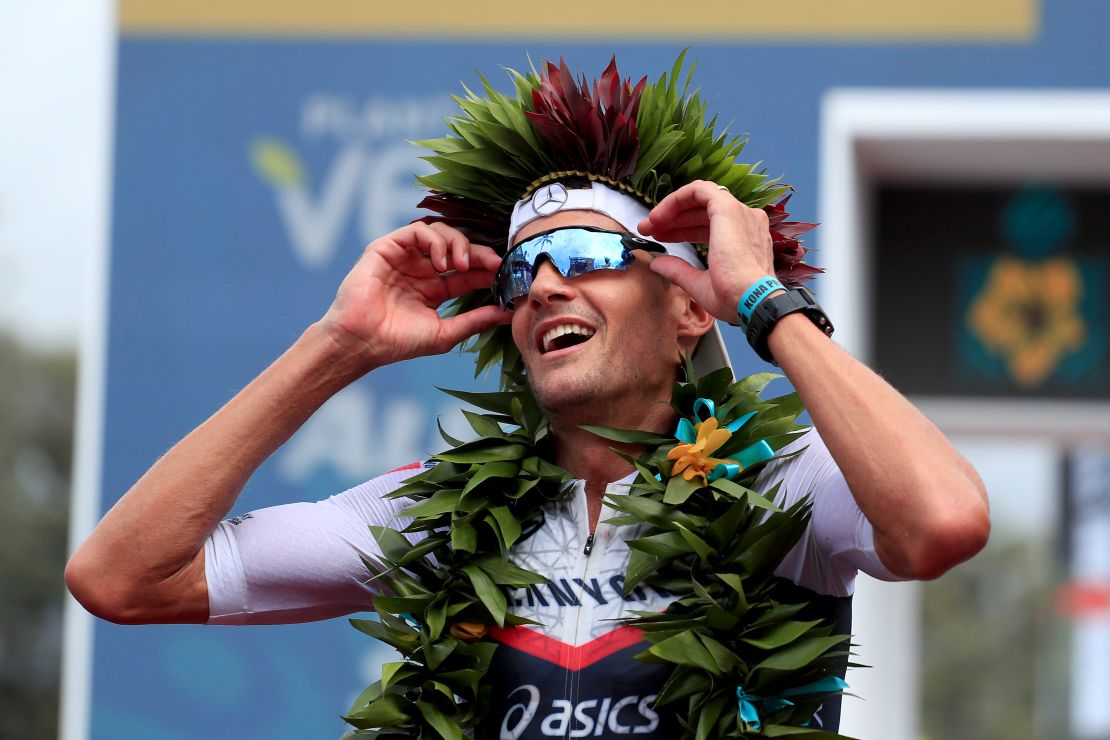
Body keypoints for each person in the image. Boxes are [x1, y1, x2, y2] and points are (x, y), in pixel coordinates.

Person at [65, 56, 990, 738]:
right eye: (520, 271)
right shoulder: (436, 514)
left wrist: (763, 305)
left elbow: (942, 523)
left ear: (685, 308)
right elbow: (120, 578)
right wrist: (334, 349)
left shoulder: (782, 490)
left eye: (587, 256)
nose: (544, 285)